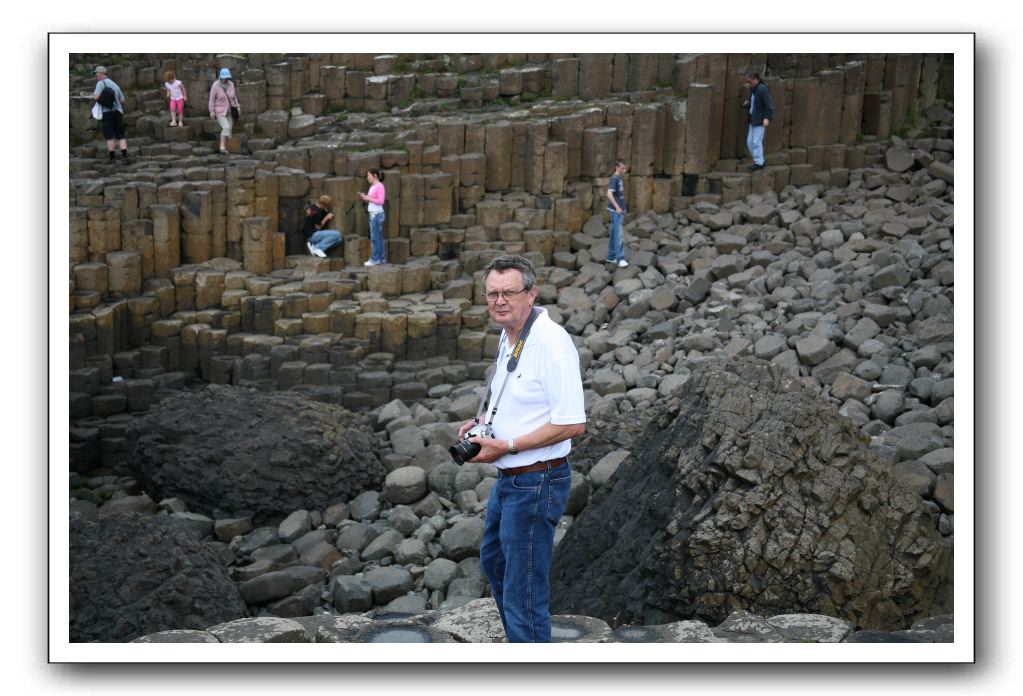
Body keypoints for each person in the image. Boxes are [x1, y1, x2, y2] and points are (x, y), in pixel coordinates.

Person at [457, 255, 586, 643]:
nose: (499, 301)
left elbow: (572, 423)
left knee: (523, 591)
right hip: (511, 477)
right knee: (494, 561)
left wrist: (506, 445)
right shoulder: (510, 334)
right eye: (492, 294)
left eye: (509, 292)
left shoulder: (551, 343)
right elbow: (517, 397)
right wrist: (482, 426)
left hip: (537, 479)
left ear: (531, 294)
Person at [91, 66, 128, 163]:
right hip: (118, 112)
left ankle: (112, 158)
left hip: (107, 113)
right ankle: (125, 156)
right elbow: (123, 100)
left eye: (96, 73)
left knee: (109, 136)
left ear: (101, 73)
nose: (95, 76)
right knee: (121, 135)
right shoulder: (115, 84)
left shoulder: (100, 83)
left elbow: (96, 97)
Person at [743, 72, 774, 171]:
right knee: (749, 142)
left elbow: (769, 106)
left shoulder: (762, 89)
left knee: (756, 142)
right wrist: (747, 104)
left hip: (760, 120)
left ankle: (759, 163)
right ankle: (759, 160)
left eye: (750, 81)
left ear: (756, 80)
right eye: (747, 81)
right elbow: (754, 103)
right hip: (753, 119)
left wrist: (767, 118)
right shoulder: (753, 89)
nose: (748, 83)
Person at [208, 68, 240, 155]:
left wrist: (238, 107)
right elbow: (211, 99)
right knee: (225, 127)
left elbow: (234, 97)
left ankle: (226, 148)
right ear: (221, 77)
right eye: (224, 78)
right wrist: (212, 111)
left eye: (227, 78)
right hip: (220, 111)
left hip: (230, 110)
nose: (226, 79)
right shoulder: (215, 85)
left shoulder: (231, 84)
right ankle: (222, 147)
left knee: (229, 130)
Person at [359, 168, 386, 266]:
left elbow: (381, 201)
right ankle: (381, 258)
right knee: (378, 237)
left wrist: (367, 198)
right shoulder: (372, 186)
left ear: (374, 175)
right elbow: (372, 199)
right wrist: (365, 197)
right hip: (373, 214)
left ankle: (374, 259)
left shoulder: (380, 186)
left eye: (368, 175)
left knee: (375, 238)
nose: (367, 177)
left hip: (376, 215)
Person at [605, 159, 629, 267]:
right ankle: (620, 259)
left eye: (625, 168)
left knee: (614, 234)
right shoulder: (614, 178)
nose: (624, 170)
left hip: (619, 210)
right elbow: (609, 194)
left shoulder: (619, 178)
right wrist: (617, 207)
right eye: (622, 168)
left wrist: (623, 208)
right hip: (615, 211)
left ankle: (611, 257)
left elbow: (619, 195)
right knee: (619, 235)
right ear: (617, 167)